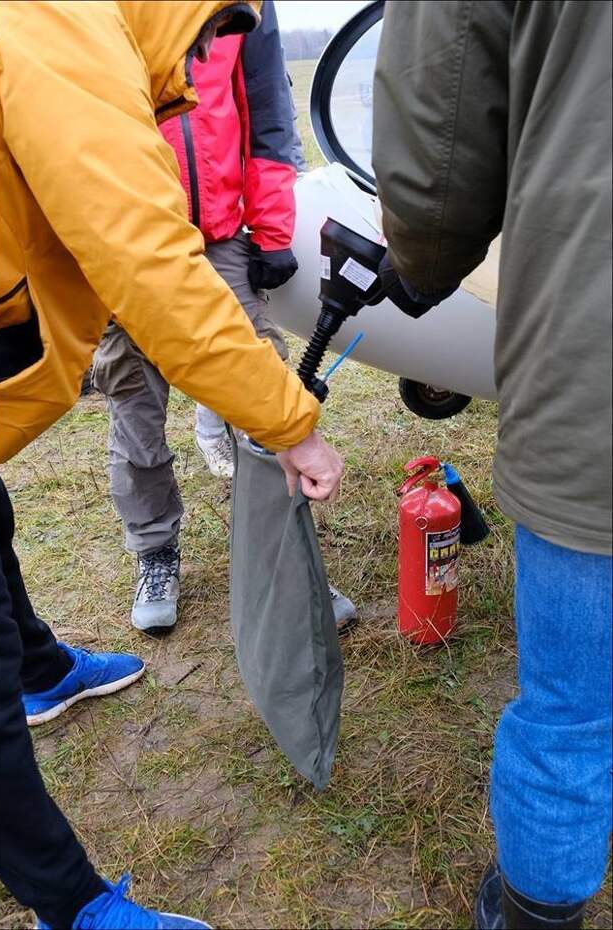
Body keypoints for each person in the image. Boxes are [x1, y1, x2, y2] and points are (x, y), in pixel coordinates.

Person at [0, 2, 343, 927]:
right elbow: (151, 267)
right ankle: (71, 908)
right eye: (199, 44)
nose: (195, 73)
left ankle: (39, 670)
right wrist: (293, 424)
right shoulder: (59, 36)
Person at [372, 2, 612, 928]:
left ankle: (536, 909)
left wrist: (424, 263)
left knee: (571, 714)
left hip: (594, 377)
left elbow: (435, 166)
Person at [92, 0, 356, 636]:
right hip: (118, 238)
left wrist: (268, 230)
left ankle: (288, 558)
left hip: (218, 235)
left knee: (261, 391)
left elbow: (267, 117)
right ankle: (155, 548)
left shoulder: (247, 5)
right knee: (135, 406)